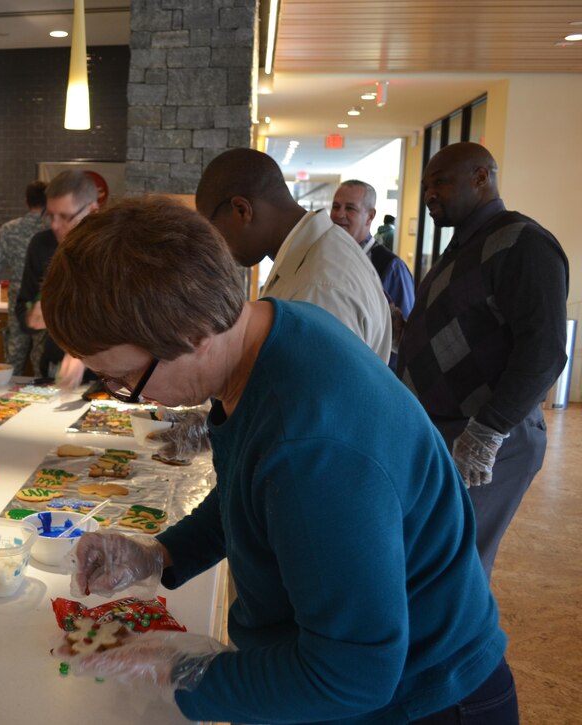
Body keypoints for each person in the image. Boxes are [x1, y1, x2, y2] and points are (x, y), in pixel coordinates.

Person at [41, 195, 515, 724]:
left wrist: (183, 673)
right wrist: (160, 555)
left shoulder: (310, 447)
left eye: (125, 378)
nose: (128, 391)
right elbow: (251, 486)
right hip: (370, 677)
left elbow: (351, 675)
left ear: (194, 336)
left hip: (425, 701)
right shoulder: (272, 332)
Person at [397, 142, 569, 577]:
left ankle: (468, 647)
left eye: (441, 181)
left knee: (455, 570)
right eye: (425, 185)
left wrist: (487, 433)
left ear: (481, 178)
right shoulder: (463, 246)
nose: (430, 194)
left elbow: (545, 349)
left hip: (488, 439)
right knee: (432, 561)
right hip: (443, 433)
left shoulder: (523, 243)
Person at [196, 148, 392, 363]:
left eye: (213, 230)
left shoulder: (319, 286)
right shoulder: (312, 255)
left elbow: (315, 393)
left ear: (242, 210)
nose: (218, 244)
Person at [15, 170, 99, 386]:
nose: (54, 224)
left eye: (65, 216)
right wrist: (33, 315)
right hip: (54, 371)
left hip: (107, 377)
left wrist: (83, 352)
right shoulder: (41, 245)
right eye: (50, 215)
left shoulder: (114, 251)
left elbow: (125, 322)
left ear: (92, 210)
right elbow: (23, 306)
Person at [331, 180, 416, 369]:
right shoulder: (326, 256)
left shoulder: (392, 268)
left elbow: (404, 341)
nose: (339, 214)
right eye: (336, 206)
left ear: (370, 216)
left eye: (350, 208)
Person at [0, 180, 49, 375]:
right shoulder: (54, 231)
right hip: (45, 305)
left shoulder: (8, 230)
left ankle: (5, 405)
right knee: (41, 366)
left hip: (17, 303)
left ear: (26, 201)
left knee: (11, 367)